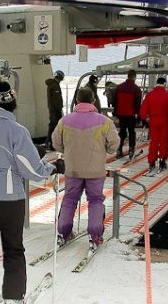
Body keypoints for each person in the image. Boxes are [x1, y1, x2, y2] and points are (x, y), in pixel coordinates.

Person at [0, 77, 63, 304]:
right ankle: (13, 297)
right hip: (8, 200)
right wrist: (52, 168)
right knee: (13, 249)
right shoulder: (16, 131)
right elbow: (31, 170)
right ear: (12, 104)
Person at [52, 87, 120, 249]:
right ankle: (95, 234)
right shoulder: (104, 121)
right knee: (95, 200)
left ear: (76, 100)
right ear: (93, 101)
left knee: (69, 199)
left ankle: (63, 231)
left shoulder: (65, 121)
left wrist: (67, 150)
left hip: (72, 169)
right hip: (95, 171)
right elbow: (113, 145)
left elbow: (56, 143)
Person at [139, 77, 168, 172]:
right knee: (163, 141)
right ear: (165, 84)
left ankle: (151, 161)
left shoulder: (149, 95)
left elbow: (143, 109)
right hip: (165, 121)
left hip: (153, 120)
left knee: (154, 141)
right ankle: (162, 160)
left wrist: (144, 118)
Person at [113, 69, 142, 159]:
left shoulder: (119, 87)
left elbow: (114, 101)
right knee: (131, 132)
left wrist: (116, 112)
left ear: (128, 76)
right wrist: (139, 116)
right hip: (131, 114)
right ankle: (131, 150)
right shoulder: (136, 89)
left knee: (122, 132)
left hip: (121, 113)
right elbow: (137, 104)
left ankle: (119, 149)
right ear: (134, 77)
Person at [45, 70, 65, 150]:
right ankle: (50, 143)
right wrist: (59, 110)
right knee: (54, 126)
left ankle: (50, 142)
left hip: (53, 110)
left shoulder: (52, 85)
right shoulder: (55, 86)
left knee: (53, 126)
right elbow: (57, 100)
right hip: (55, 111)